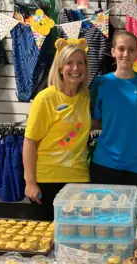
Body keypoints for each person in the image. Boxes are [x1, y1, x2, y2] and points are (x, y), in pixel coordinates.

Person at [23, 41, 91, 221]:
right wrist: (30, 183)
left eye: (80, 62)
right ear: (60, 67)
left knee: (75, 237)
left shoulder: (86, 97)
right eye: (69, 62)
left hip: (79, 178)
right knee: (48, 239)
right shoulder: (45, 98)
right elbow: (30, 142)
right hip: (48, 181)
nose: (75, 68)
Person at [90, 30, 137, 217]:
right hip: (105, 162)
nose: (126, 54)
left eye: (131, 49)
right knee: (103, 218)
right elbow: (95, 121)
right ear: (113, 51)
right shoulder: (101, 83)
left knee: (130, 217)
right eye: (121, 49)